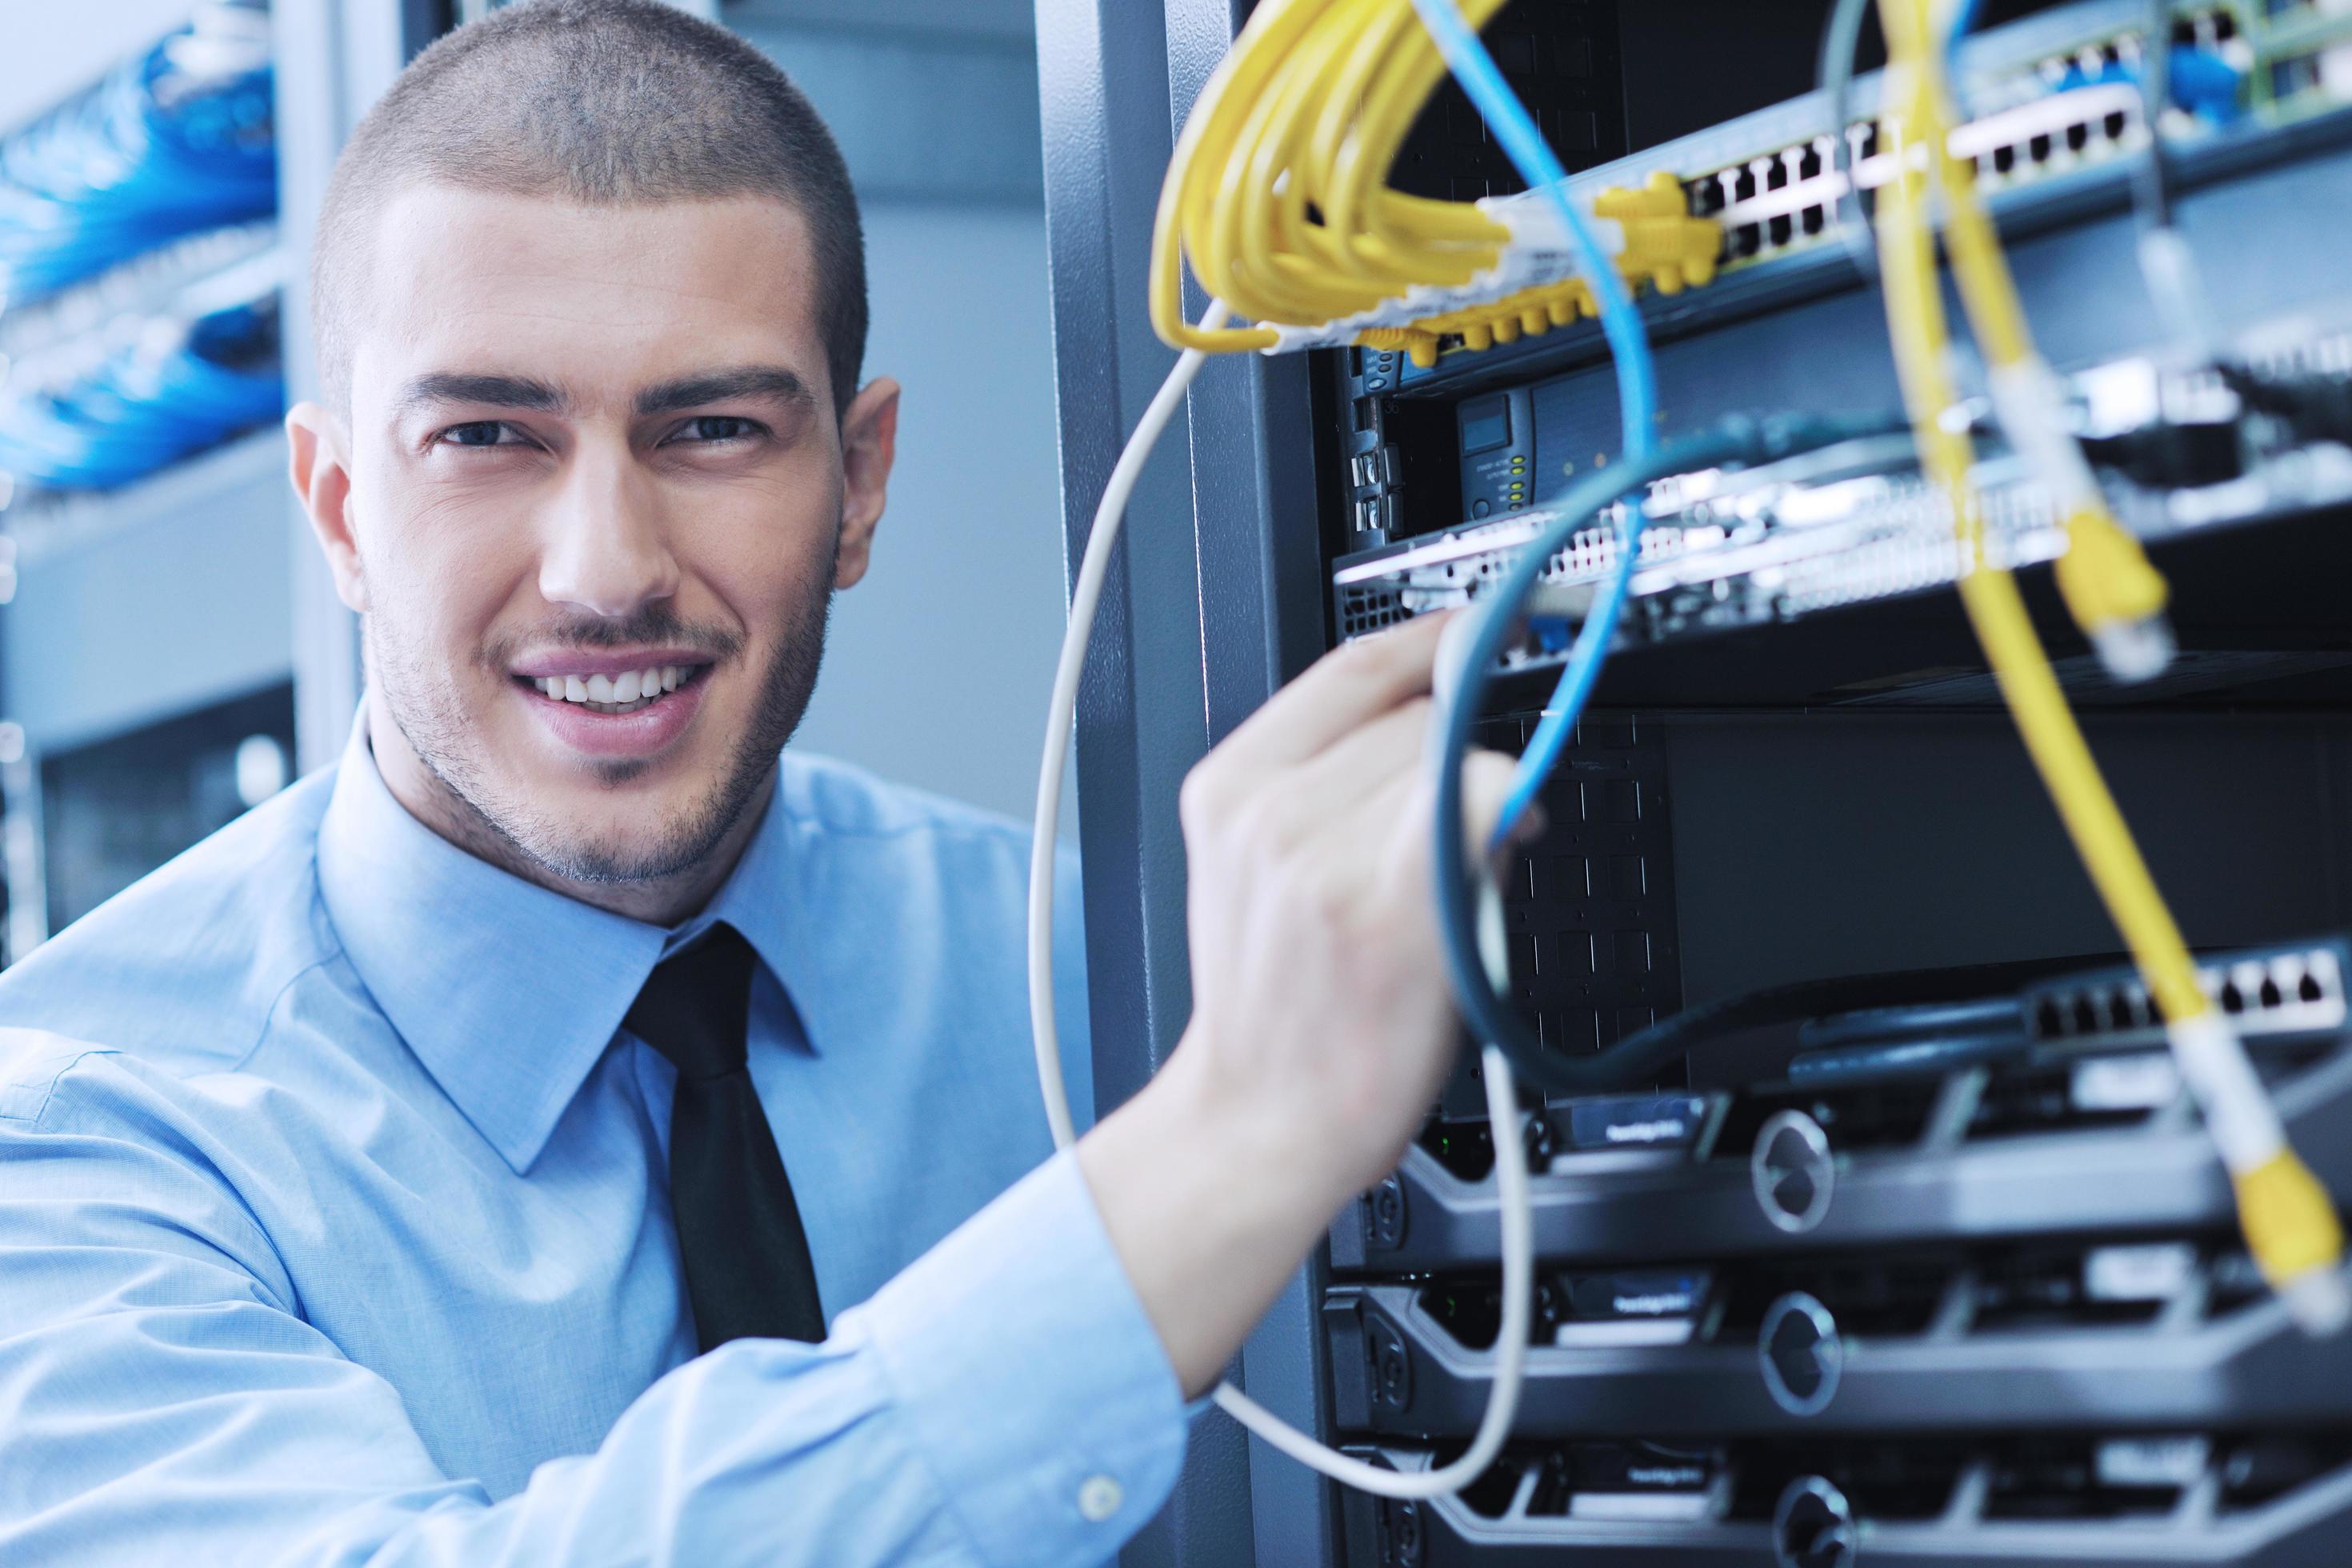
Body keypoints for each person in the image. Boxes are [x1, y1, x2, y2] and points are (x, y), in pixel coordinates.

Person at [0, 2, 1514, 1562]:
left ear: (859, 482)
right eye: (486, 436)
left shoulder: (1089, 967)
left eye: (713, 428)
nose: (606, 572)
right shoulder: (77, 1136)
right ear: (338, 506)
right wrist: (1221, 1151)